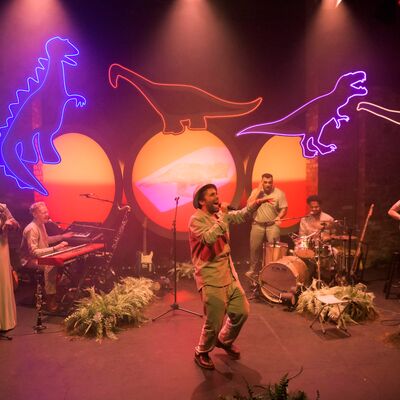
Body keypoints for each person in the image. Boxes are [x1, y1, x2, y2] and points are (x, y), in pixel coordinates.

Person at [189, 183, 269, 370]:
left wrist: (255, 204)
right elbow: (209, 239)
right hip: (210, 276)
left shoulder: (220, 215)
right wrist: (224, 216)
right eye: (211, 195)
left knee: (242, 311)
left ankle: (224, 339)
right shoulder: (196, 220)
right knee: (214, 321)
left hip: (228, 272)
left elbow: (240, 215)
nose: (217, 197)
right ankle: (201, 351)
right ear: (201, 201)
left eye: (216, 193)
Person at [20, 202, 73, 312]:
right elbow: (34, 252)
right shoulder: (31, 229)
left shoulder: (41, 224)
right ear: (35, 214)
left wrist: (62, 236)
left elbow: (46, 240)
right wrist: (55, 248)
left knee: (65, 261)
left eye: (47, 212)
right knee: (50, 266)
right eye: (43, 212)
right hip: (29, 260)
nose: (47, 214)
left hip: (42, 256)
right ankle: (50, 299)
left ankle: (57, 290)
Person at [245, 173, 288, 278]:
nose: (268, 184)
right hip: (257, 224)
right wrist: (258, 190)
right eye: (265, 182)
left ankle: (273, 271)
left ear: (273, 182)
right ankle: (252, 269)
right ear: (262, 182)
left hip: (272, 225)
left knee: (274, 249)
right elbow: (249, 204)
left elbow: (284, 208)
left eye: (270, 182)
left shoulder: (279, 193)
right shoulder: (256, 192)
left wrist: (279, 216)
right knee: (254, 248)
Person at [0, 203, 20, 332]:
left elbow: (17, 225)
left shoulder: (2, 207)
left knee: (2, 282)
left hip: (2, 249)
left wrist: (10, 224)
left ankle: (4, 321)